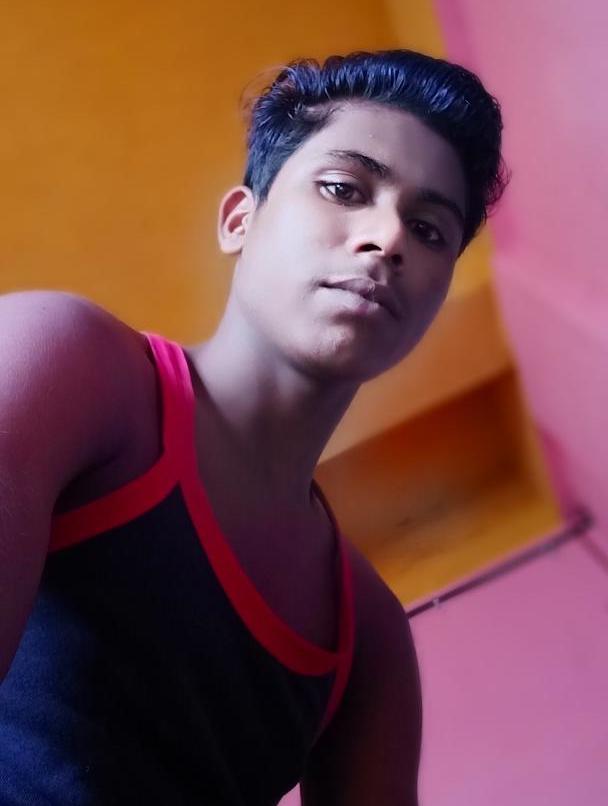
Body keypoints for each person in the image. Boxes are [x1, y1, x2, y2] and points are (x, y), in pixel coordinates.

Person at [0, 49, 506, 804]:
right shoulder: (68, 362)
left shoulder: (366, 640)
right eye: (343, 188)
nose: (387, 239)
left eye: (430, 230)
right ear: (240, 219)